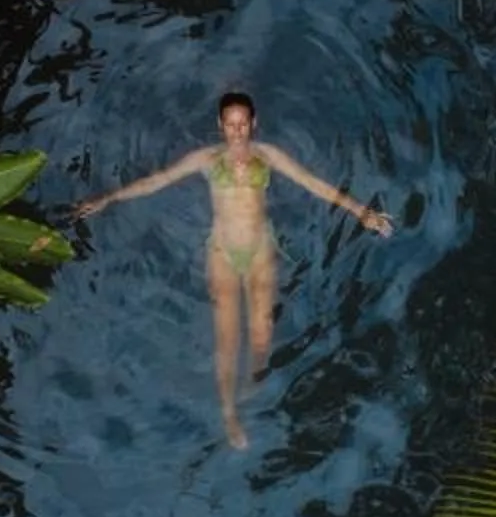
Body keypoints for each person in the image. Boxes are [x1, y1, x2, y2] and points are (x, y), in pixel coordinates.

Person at [74, 92, 393, 450]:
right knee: (227, 338)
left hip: (260, 249)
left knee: (262, 336)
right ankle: (228, 413)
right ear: (220, 126)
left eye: (243, 123)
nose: (238, 131)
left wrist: (360, 211)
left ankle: (249, 390)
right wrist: (108, 198)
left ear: (254, 123)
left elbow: (313, 183)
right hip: (223, 252)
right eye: (230, 124)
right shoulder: (207, 159)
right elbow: (157, 180)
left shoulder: (267, 156)